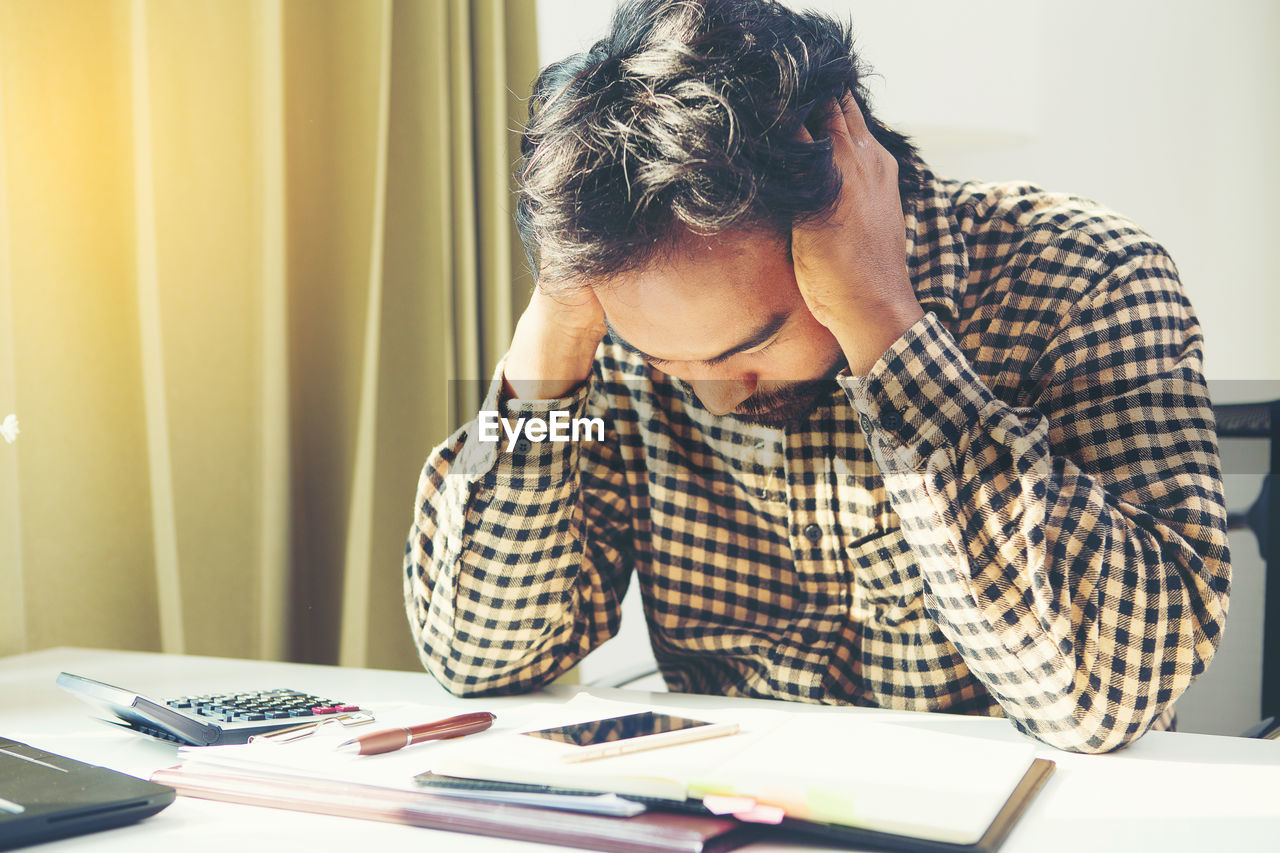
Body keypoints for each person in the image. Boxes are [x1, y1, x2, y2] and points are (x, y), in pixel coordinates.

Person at [403, 0, 1230, 754]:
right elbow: (481, 657)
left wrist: (884, 323)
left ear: (854, 201)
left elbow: (1105, 697)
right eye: (667, 363)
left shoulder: (1087, 278)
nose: (712, 394)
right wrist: (556, 329)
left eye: (748, 348)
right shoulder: (629, 328)